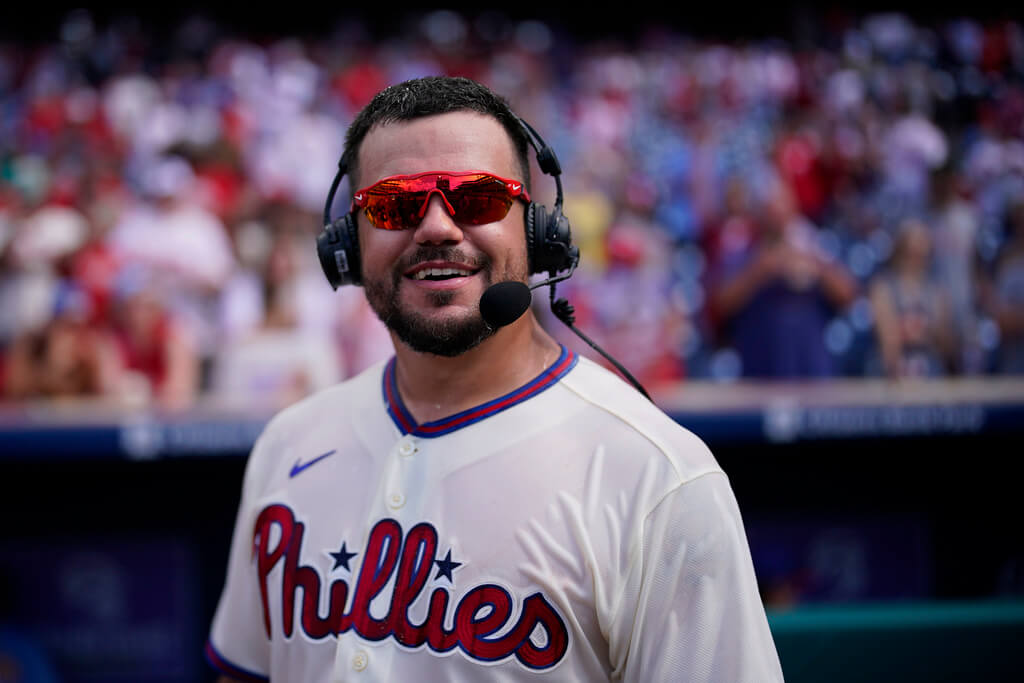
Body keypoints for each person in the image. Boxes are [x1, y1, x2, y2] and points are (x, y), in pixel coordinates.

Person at [206, 76, 783, 682]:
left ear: (537, 234)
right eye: (393, 205)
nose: (435, 227)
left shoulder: (658, 478)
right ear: (348, 243)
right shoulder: (289, 442)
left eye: (477, 199)